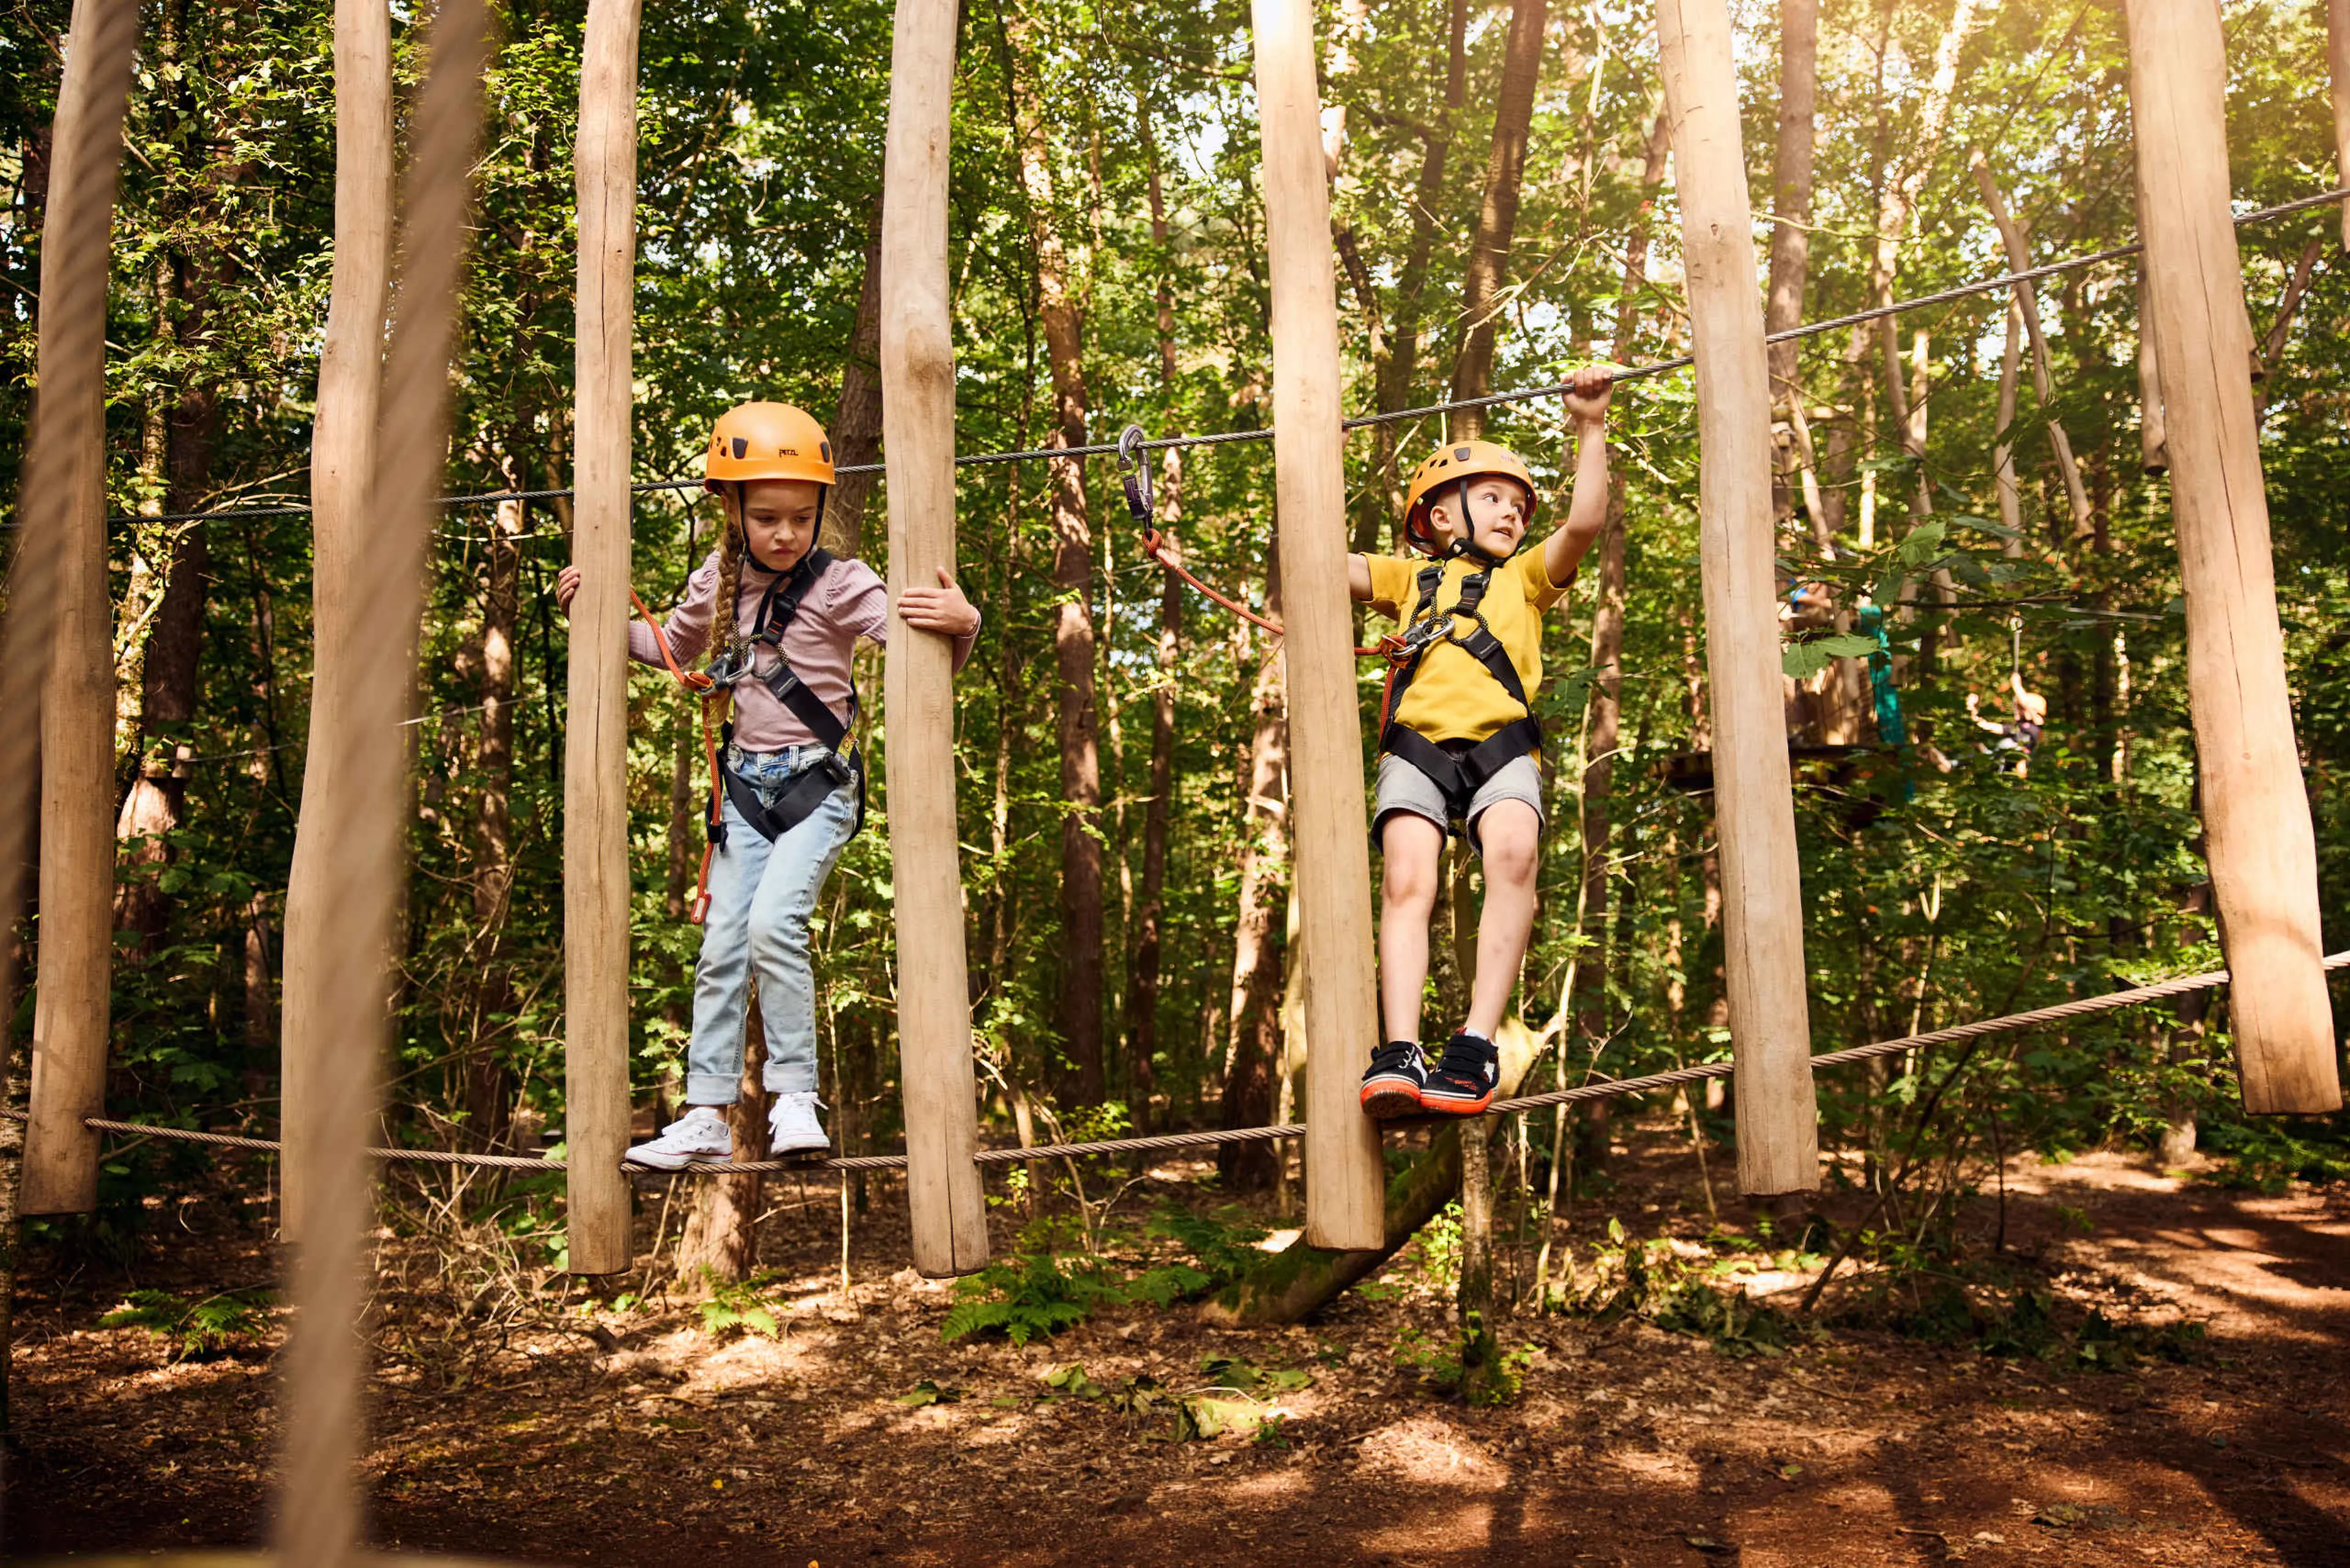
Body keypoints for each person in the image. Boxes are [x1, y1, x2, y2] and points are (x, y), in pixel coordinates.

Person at [555, 401, 980, 1166]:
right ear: (730, 507)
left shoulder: (844, 583)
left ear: (819, 512)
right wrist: (591, 617)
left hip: (817, 788)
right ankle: (708, 1116)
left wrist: (963, 620)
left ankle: (793, 1099)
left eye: (801, 516)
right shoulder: (718, 578)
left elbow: (927, 660)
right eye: (766, 517)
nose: (786, 533)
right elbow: (667, 644)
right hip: (745, 793)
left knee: (771, 925)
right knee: (721, 944)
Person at [1354, 367, 1614, 1121]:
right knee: (1408, 881)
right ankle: (1398, 1051)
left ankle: (1474, 1044)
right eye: (1494, 497)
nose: (1513, 513)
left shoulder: (1529, 578)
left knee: (1513, 857)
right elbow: (1313, 568)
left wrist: (1591, 427)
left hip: (1503, 744)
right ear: (1438, 517)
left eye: (1520, 504)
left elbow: (1585, 525)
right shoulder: (1408, 579)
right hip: (1417, 748)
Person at [1967, 669, 2047, 777]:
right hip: (2001, 762)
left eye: (2020, 708)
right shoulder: (2015, 729)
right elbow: (1987, 726)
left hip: (2018, 766)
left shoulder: (2037, 724)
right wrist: (1971, 708)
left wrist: (2017, 685)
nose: (2018, 711)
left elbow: (2026, 704)